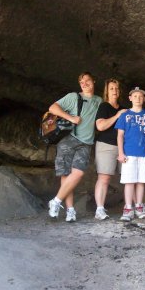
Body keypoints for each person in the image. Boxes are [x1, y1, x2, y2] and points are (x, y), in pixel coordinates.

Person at [47, 72, 102, 222]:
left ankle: (56, 201)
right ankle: (70, 210)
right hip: (69, 139)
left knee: (77, 174)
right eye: (81, 81)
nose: (84, 83)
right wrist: (70, 117)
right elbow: (53, 108)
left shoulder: (99, 101)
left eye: (87, 80)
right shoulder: (73, 97)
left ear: (94, 81)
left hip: (86, 142)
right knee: (66, 175)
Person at [115, 86, 145, 222]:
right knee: (129, 181)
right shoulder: (124, 115)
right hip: (129, 154)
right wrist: (120, 153)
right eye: (135, 96)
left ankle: (139, 207)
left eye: (140, 96)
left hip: (144, 153)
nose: (138, 98)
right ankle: (128, 208)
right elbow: (120, 135)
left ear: (144, 99)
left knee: (141, 181)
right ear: (130, 98)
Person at [93, 78, 127, 220]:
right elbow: (100, 126)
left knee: (128, 178)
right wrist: (117, 115)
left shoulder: (124, 107)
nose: (115, 91)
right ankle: (99, 209)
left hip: (123, 147)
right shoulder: (104, 107)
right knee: (104, 178)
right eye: (112, 88)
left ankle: (131, 207)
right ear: (107, 91)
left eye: (117, 88)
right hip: (106, 146)